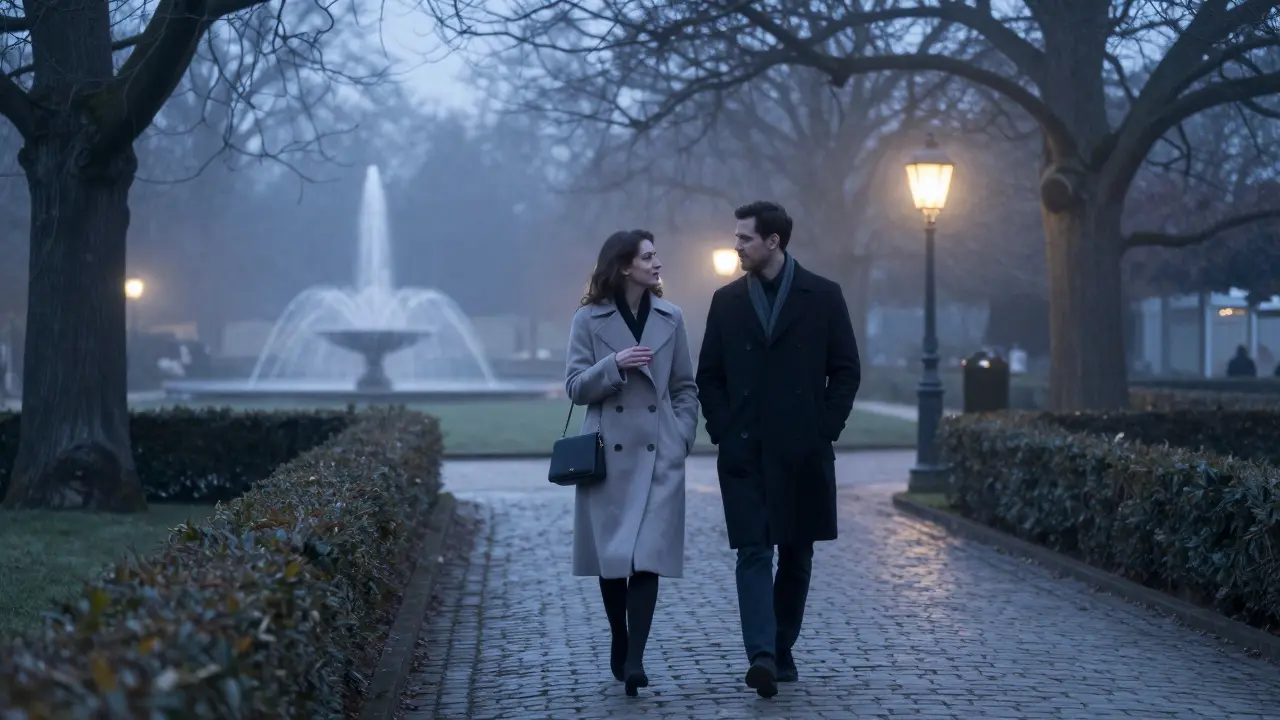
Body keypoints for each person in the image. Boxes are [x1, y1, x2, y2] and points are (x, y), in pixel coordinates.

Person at [696, 201, 860, 698]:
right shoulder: (726, 302)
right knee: (751, 550)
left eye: (744, 238)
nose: (736, 245)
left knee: (796, 552)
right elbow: (709, 374)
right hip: (745, 450)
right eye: (736, 237)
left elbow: (846, 369)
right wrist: (723, 426)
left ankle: (782, 647)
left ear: (774, 242)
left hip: (802, 449)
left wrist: (823, 427)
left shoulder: (823, 296)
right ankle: (762, 655)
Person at [564, 229, 700, 697]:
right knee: (614, 559)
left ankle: (636, 657)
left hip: (659, 452)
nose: (657, 262)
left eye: (656, 254)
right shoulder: (588, 319)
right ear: (624, 266)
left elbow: (685, 386)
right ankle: (619, 638)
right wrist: (614, 365)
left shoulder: (671, 316)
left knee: (648, 557)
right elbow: (575, 387)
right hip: (609, 455)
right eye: (648, 256)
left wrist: (681, 435)